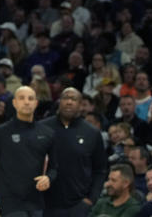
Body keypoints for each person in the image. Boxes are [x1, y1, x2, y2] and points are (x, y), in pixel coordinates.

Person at [0, 86, 57, 217]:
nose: (26, 102)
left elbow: (55, 167)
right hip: (10, 202)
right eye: (22, 98)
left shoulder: (47, 133)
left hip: (38, 201)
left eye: (30, 98)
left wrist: (48, 178)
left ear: (36, 103)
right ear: (14, 103)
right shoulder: (0, 133)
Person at [41, 87, 108, 217]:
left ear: (80, 105)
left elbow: (100, 170)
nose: (69, 102)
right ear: (59, 102)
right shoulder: (41, 128)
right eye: (65, 98)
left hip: (78, 205)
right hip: (44, 204)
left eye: (74, 99)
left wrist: (91, 199)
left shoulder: (92, 133)